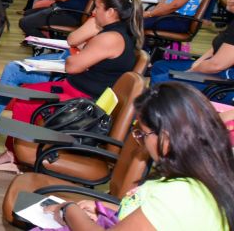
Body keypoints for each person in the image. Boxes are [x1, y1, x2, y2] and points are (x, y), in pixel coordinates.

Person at [0, 0, 141, 171]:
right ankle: (14, 153)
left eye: (99, 8)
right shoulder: (119, 34)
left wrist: (79, 55)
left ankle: (21, 158)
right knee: (24, 93)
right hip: (78, 91)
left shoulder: (110, 38)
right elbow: (77, 53)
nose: (94, 12)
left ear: (111, 12)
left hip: (82, 100)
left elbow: (71, 65)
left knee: (25, 103)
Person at [0, 0, 131, 138]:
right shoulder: (112, 25)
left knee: (13, 70)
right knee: (18, 67)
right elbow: (73, 41)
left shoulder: (110, 33)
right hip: (72, 64)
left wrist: (90, 32)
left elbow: (74, 53)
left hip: (74, 78)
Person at [45, 83, 234, 231]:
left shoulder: (181, 193)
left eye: (142, 134)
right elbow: (160, 218)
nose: (140, 142)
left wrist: (69, 210)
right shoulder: (213, 170)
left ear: (166, 137)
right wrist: (104, 208)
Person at [150, 0, 234, 89]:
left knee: (162, 81)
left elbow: (216, 65)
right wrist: (196, 64)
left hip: (228, 82)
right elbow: (216, 48)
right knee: (160, 67)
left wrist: (191, 72)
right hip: (220, 69)